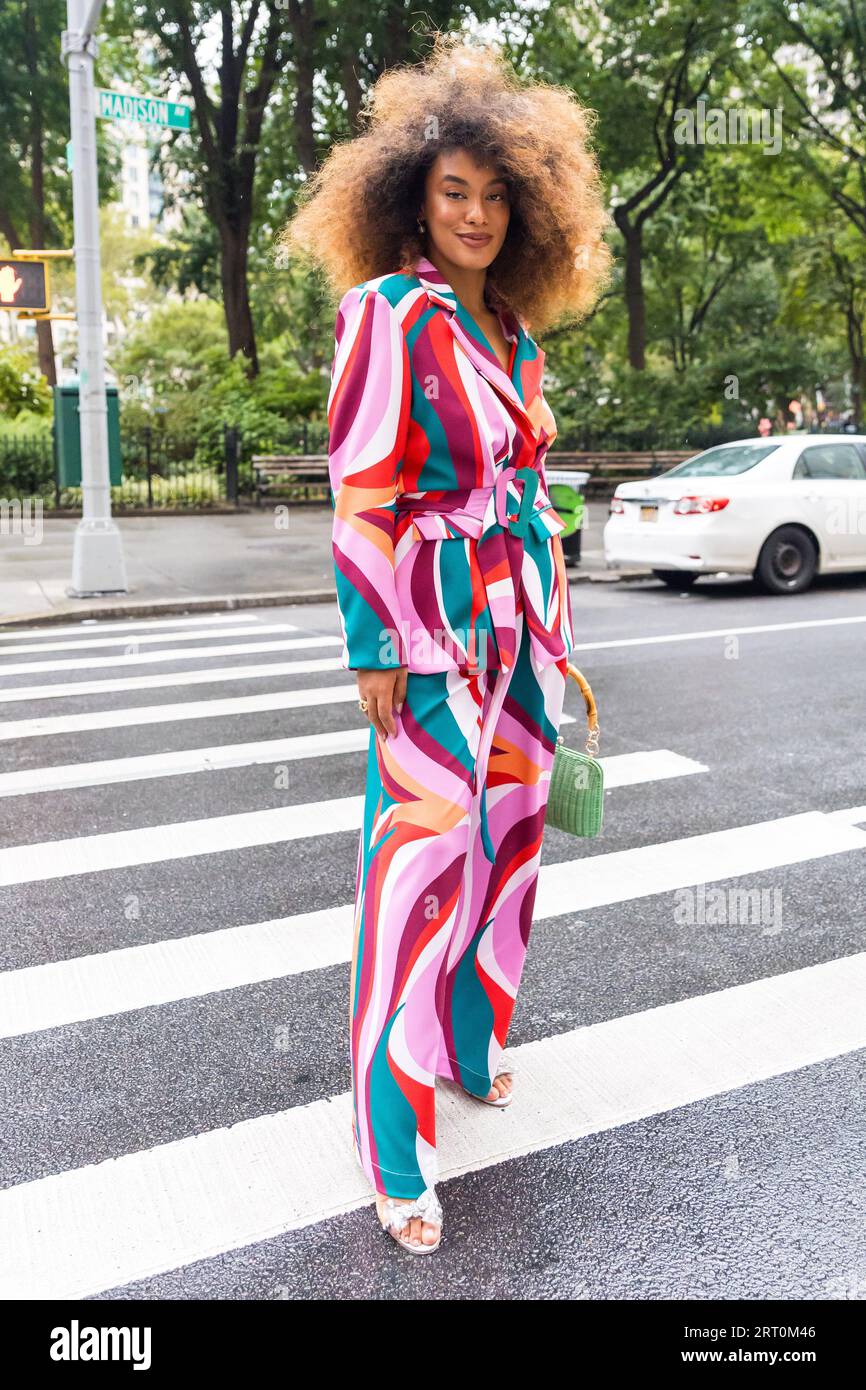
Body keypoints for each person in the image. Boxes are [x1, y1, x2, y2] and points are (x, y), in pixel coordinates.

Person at [279, 33, 611, 1255]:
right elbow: (362, 492)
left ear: (523, 210)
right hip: (426, 637)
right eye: (451, 191)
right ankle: (390, 1130)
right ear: (411, 201)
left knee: (508, 851)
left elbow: (535, 493)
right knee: (417, 872)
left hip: (520, 637)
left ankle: (472, 1046)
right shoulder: (382, 316)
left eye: (493, 194)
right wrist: (374, 644)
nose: (473, 213)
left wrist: (560, 637)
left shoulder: (514, 336)